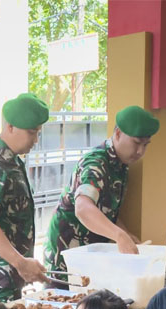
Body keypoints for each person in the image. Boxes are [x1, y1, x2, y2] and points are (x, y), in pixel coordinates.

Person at [44, 106, 159, 276]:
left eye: (145, 145)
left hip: (91, 258)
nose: (140, 151)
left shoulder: (120, 164)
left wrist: (125, 234)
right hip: (67, 257)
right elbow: (83, 208)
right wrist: (119, 235)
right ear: (118, 134)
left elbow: (105, 210)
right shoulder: (96, 163)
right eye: (136, 143)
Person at [0, 93, 50, 302]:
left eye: (38, 133)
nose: (35, 140)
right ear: (10, 127)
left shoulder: (12, 161)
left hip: (12, 276)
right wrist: (21, 262)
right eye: (31, 133)